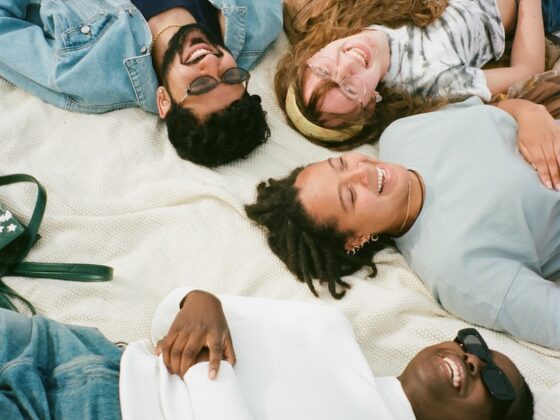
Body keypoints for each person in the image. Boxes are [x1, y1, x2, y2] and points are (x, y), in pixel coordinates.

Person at [245, 96, 560, 350]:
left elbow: (495, 108)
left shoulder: (400, 135)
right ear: (356, 238)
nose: (361, 172)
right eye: (350, 196)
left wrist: (531, 113)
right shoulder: (458, 269)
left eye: (341, 163)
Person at [0, 288, 534, 420]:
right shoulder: (330, 324)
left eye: (496, 383)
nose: (472, 360)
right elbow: (173, 315)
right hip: (92, 351)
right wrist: (201, 300)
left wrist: (208, 378)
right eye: (475, 345)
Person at [0, 0, 283, 167]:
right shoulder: (258, 22)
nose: (210, 64)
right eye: (231, 77)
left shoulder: (83, 71)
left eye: (200, 85)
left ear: (164, 101)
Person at [276, 0, 544, 150]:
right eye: (349, 89)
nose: (345, 68)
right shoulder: (431, 84)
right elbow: (528, 71)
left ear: (310, 57)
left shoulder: (331, 16)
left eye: (324, 70)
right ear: (370, 105)